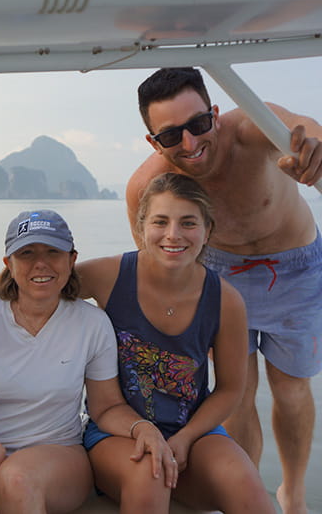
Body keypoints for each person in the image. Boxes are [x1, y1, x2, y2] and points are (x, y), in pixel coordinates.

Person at [0, 174, 274, 513]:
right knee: (148, 472)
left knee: (247, 485)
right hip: (116, 432)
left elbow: (230, 389)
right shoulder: (112, 274)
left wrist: (187, 437)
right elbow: (37, 278)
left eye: (188, 223)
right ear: (141, 227)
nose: (173, 234)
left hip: (190, 427)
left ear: (208, 230)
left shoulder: (225, 300)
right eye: (160, 221)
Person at [129, 67, 322, 514]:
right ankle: (247, 494)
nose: (191, 144)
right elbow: (151, 267)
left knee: (292, 390)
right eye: (172, 135)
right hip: (217, 272)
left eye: (198, 125)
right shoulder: (147, 186)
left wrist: (314, 148)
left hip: (296, 267)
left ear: (215, 114)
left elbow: (305, 132)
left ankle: (292, 491)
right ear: (153, 142)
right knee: (234, 393)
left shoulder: (254, 126)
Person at [0, 210, 175, 514]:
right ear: (8, 264)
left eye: (53, 251)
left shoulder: (92, 323)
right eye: (27, 253)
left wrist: (142, 428)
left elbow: (106, 407)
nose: (41, 263)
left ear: (72, 259)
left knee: (17, 478)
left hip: (59, 450)